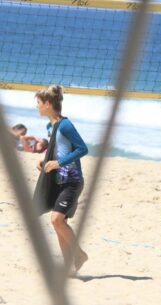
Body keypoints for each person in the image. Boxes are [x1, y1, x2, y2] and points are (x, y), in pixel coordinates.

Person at [35, 85, 89, 273]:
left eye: (39, 103)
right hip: (58, 180)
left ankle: (79, 254)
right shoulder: (51, 126)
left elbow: (82, 149)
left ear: (48, 104)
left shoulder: (65, 125)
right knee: (60, 224)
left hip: (72, 181)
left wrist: (58, 163)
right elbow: (58, 150)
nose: (37, 107)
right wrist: (45, 162)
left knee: (56, 220)